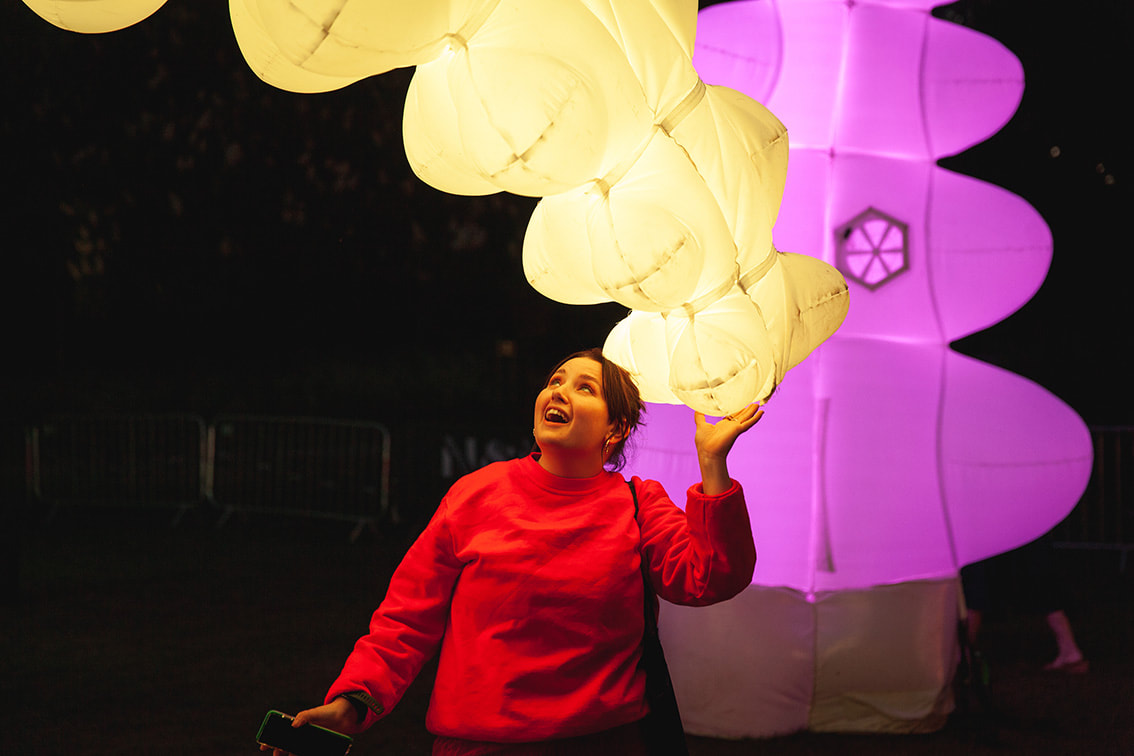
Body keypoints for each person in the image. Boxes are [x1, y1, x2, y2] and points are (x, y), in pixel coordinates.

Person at [261, 348, 763, 755]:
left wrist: (712, 464)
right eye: (556, 379)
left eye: (585, 387)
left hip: (605, 743)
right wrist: (353, 701)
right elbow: (406, 619)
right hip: (480, 747)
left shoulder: (637, 502)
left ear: (616, 431)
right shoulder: (475, 494)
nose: (560, 389)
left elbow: (710, 578)